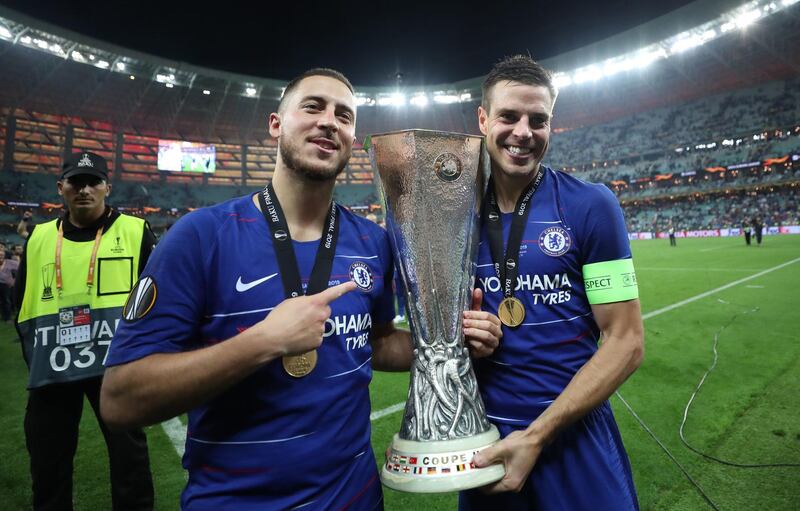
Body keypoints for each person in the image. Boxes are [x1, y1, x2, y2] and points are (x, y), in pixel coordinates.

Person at [100, 68, 502, 510]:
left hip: (356, 499)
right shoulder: (200, 237)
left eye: (344, 115)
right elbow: (121, 399)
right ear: (276, 124)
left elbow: (379, 342)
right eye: (313, 106)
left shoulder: (372, 242)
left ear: (352, 140)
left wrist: (450, 342)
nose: (329, 121)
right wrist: (263, 342)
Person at [460, 55, 644, 511]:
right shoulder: (453, 221)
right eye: (508, 116)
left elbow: (626, 340)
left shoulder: (590, 205)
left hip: (574, 436)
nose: (523, 131)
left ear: (551, 125)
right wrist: (461, 336)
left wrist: (537, 437)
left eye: (537, 119)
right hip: (488, 445)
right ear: (483, 119)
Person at [15, 151, 156, 511]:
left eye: (93, 182)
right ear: (61, 187)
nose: (84, 190)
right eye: (76, 182)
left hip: (116, 365)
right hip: (53, 365)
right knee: (48, 464)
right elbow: (23, 300)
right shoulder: (39, 237)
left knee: (130, 462)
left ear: (107, 187)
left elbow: (154, 296)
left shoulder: (136, 231)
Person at [0, 247, 18, 322]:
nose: (0, 256)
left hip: (6, 286)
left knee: (6, 301)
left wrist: (14, 281)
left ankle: (8, 318)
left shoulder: (11, 263)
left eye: (1, 255)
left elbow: (19, 271)